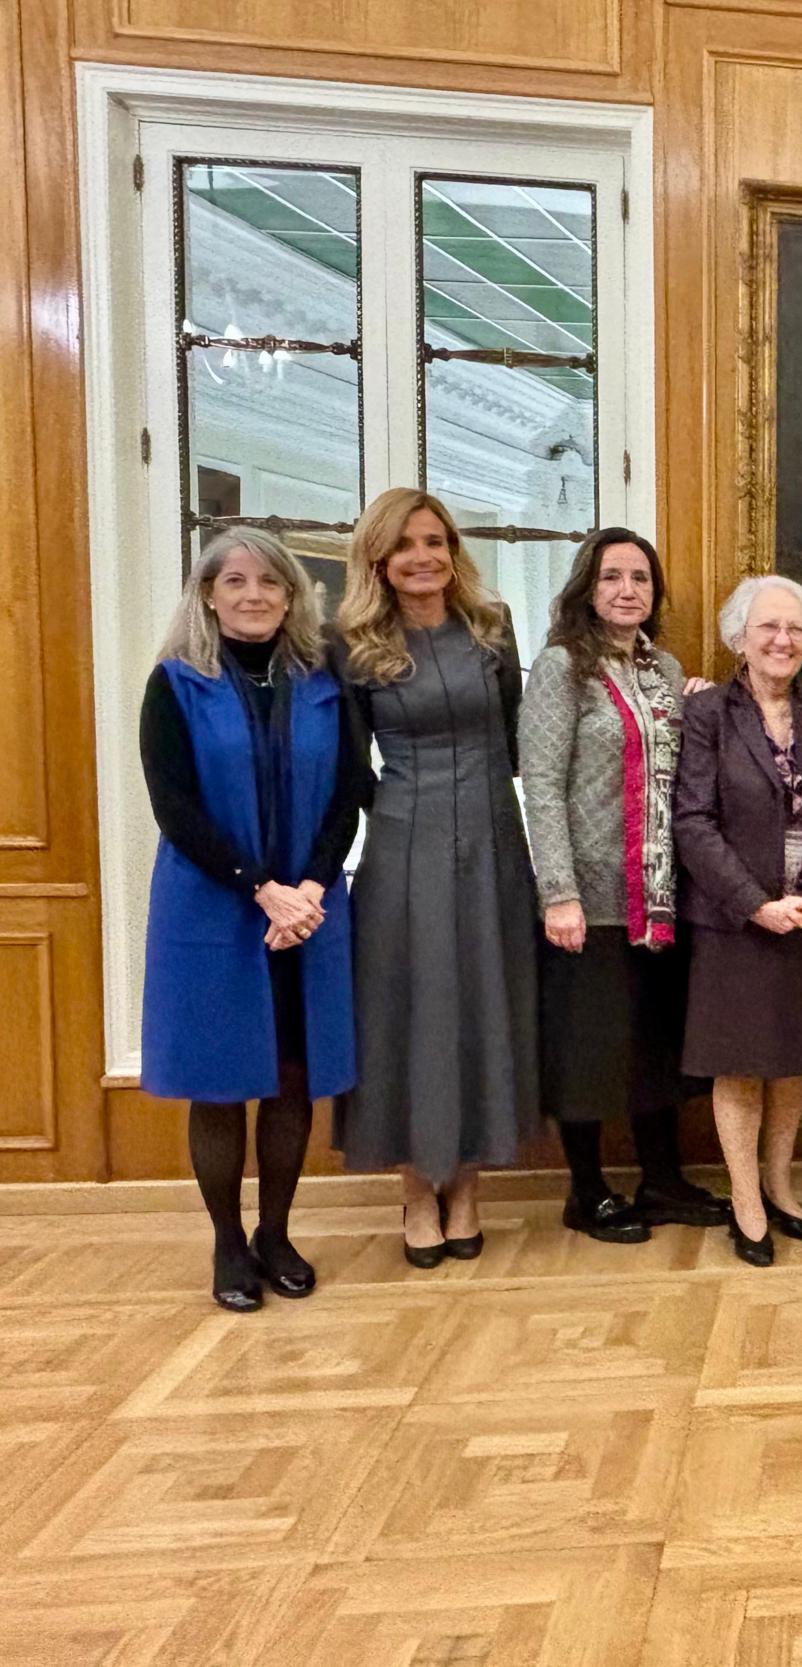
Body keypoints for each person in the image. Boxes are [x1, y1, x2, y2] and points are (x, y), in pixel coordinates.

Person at [140, 529, 367, 1310]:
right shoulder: (175, 684)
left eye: (270, 580)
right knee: (219, 1081)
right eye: (234, 580)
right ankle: (228, 1243)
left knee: (292, 1077)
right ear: (208, 594)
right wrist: (262, 889)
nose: (253, 594)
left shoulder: (323, 681)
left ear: (292, 594)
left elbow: (348, 792)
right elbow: (174, 808)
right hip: (214, 907)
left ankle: (275, 1233)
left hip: (307, 907)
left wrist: (308, 887)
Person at [334, 489, 539, 1267]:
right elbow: (348, 764)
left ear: (452, 549)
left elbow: (517, 738)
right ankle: (418, 1188)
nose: (422, 556)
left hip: (492, 839)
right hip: (403, 843)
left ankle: (469, 1187)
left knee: (486, 1003)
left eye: (434, 540)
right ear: (378, 559)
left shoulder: (491, 626)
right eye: (404, 545)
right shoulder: (350, 643)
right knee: (413, 1014)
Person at [519, 528, 728, 1245]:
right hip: (590, 895)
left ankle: (661, 1180)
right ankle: (586, 1191)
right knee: (588, 1046)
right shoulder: (560, 668)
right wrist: (559, 892)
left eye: (640, 578)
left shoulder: (664, 669)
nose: (627, 590)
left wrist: (700, 703)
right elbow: (542, 786)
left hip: (662, 893)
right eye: (612, 576)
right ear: (587, 587)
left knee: (654, 1044)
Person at [675, 575, 802, 1266]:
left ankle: (781, 1186)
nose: (782, 639)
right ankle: (745, 1201)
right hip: (735, 922)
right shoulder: (707, 714)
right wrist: (754, 903)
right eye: (768, 626)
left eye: (795, 628)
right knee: (740, 1064)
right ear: (740, 638)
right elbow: (692, 820)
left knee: (793, 1060)